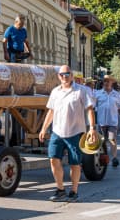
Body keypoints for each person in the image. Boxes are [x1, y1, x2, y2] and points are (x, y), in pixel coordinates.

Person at [39, 65, 97, 202]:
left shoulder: (82, 90)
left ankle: (74, 191)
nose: (64, 77)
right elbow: (51, 111)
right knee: (53, 159)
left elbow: (89, 109)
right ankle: (60, 190)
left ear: (71, 75)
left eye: (67, 74)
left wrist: (92, 128)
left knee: (75, 163)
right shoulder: (55, 91)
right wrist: (43, 128)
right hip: (57, 131)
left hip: (75, 132)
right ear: (58, 76)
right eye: (62, 74)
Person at [94, 75, 120, 167]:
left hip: (112, 121)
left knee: (112, 139)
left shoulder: (116, 94)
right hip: (101, 122)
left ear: (112, 82)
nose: (106, 83)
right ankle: (103, 157)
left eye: (108, 81)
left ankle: (114, 158)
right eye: (105, 81)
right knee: (102, 141)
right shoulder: (97, 93)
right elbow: (92, 107)